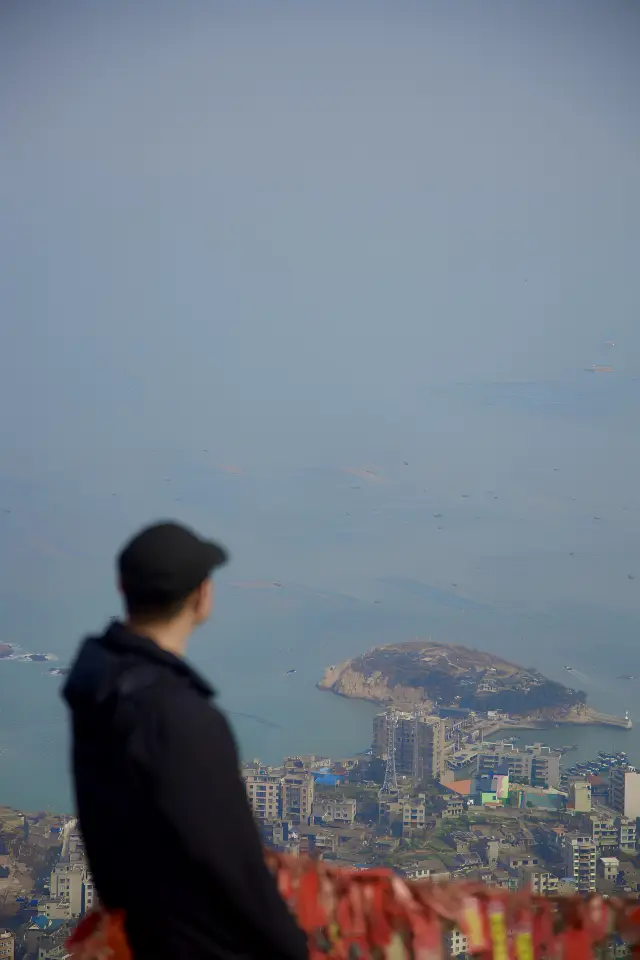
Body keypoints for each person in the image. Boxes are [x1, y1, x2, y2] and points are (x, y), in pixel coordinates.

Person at [63, 521, 308, 960]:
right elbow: (235, 867)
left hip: (139, 933)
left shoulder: (99, 691)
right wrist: (294, 949)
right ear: (202, 597)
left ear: (122, 588)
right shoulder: (182, 718)